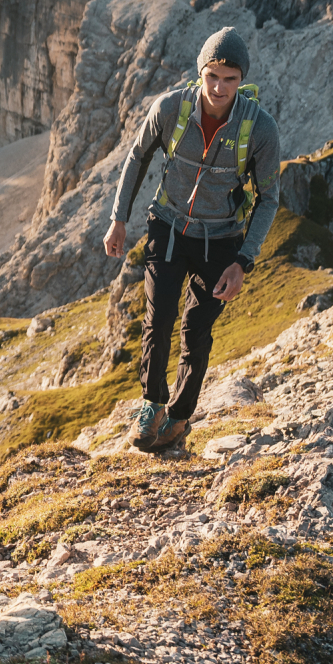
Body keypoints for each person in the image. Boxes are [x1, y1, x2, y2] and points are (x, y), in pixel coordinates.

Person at [103, 27, 280, 453]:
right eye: (212, 76)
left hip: (221, 240)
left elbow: (270, 197)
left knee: (196, 331)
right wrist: (118, 219)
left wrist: (243, 261)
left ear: (243, 80)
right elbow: (137, 156)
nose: (219, 88)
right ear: (200, 72)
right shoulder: (170, 109)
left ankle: (180, 416)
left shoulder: (260, 129)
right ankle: (152, 404)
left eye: (230, 79)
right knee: (158, 319)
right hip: (166, 227)